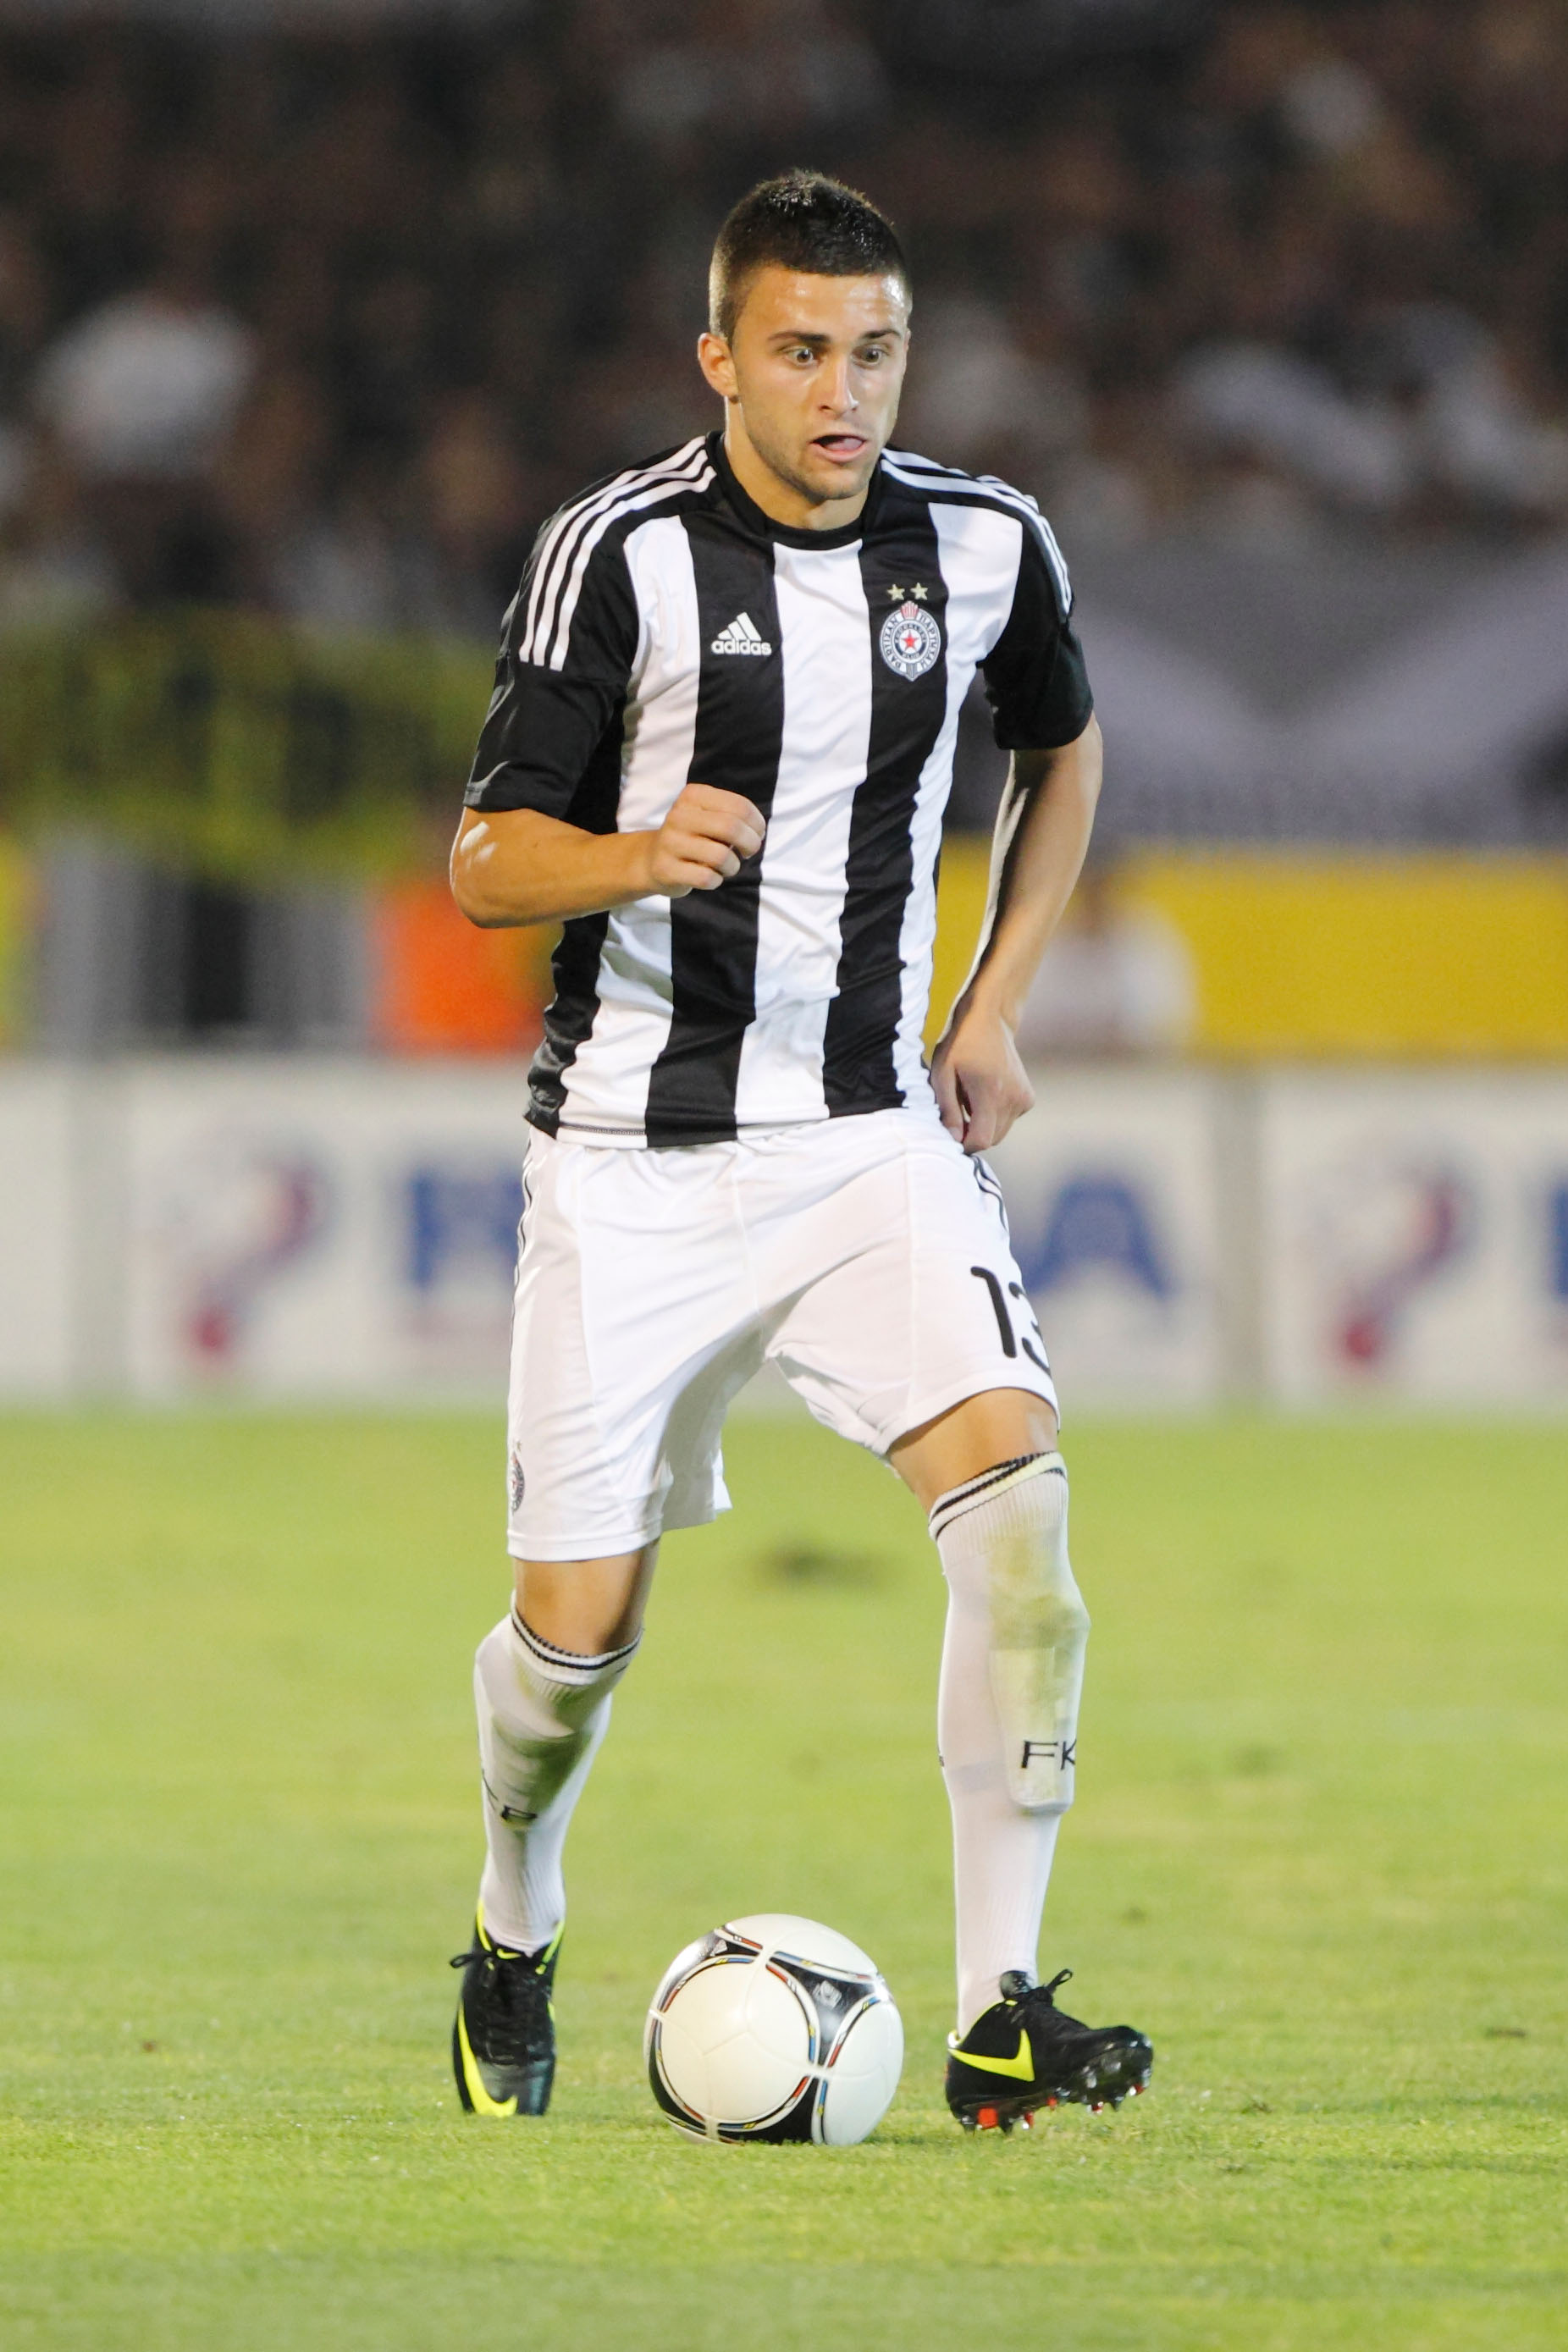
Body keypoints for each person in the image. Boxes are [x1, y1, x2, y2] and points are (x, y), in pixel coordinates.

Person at [447, 170, 1152, 2135]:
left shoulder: (983, 543)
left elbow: (1062, 750)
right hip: (631, 1164)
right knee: (574, 1644)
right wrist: (630, 852)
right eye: (798, 352)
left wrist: (990, 1003)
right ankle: (511, 1923)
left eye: (872, 352)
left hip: (864, 1146)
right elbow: (484, 858)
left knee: (1019, 1524)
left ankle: (1000, 2013)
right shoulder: (619, 553)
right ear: (719, 360)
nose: (841, 392)